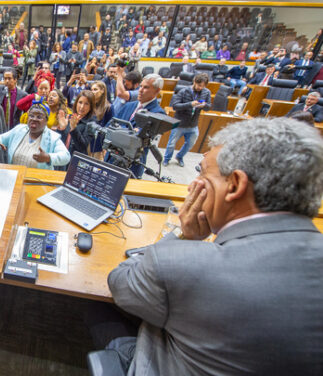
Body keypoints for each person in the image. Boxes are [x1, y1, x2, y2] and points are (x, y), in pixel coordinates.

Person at [97, 117, 323, 375]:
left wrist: (184, 237)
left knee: (100, 308)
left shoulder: (184, 265)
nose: (193, 185)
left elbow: (120, 282)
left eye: (202, 172)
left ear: (235, 185)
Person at [111, 73, 166, 178]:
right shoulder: (128, 105)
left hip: (131, 164)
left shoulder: (158, 114)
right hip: (112, 157)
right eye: (141, 86)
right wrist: (130, 131)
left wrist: (118, 130)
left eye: (146, 87)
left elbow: (137, 139)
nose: (140, 90)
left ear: (157, 90)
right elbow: (110, 125)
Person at [0, 102, 70, 169]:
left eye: (39, 117)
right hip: (15, 176)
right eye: (31, 116)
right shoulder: (19, 130)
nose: (34, 119)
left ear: (46, 121)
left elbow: (66, 156)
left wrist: (48, 157)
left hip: (37, 181)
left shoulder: (52, 137)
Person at [163, 73, 212, 167]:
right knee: (171, 144)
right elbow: (175, 106)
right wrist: (190, 104)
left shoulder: (207, 92)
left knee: (190, 144)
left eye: (201, 86)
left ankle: (179, 157)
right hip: (179, 124)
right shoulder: (184, 91)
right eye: (197, 85)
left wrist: (204, 105)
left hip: (193, 124)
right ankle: (166, 159)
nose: (199, 87)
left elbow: (208, 107)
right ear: (194, 82)